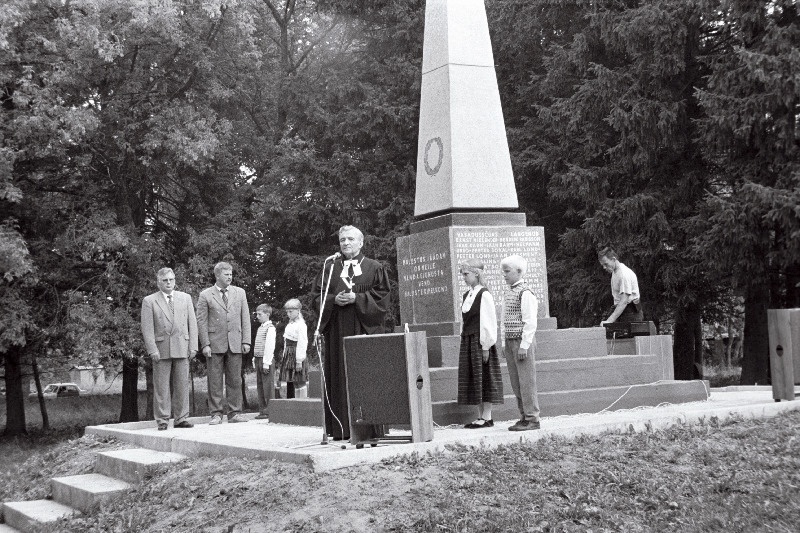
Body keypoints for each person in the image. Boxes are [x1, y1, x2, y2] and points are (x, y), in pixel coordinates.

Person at [311, 225, 391, 441]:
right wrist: (332, 300)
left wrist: (358, 298)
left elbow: (383, 298)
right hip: (337, 332)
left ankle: (370, 429)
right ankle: (341, 429)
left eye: (350, 239)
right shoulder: (330, 268)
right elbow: (315, 298)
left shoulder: (374, 267)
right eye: (342, 240)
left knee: (366, 376)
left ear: (361, 242)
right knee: (339, 374)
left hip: (363, 329)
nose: (345, 243)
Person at [140, 267, 198, 431]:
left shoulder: (185, 298)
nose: (169, 283)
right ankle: (163, 420)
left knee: (182, 384)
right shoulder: (150, 301)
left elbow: (192, 324)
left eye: (171, 280)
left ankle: (181, 418)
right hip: (161, 348)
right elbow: (147, 328)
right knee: (161, 386)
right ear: (158, 282)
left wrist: (193, 346)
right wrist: (152, 349)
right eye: (165, 280)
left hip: (182, 346)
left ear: (175, 280)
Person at [197, 261, 251, 425]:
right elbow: (201, 321)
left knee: (235, 380)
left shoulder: (240, 293)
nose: (230, 277)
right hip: (214, 344)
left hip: (235, 341)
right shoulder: (205, 295)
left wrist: (246, 340)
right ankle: (216, 414)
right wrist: (205, 344)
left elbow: (245, 318)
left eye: (231, 274)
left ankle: (235, 413)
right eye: (226, 274)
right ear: (217, 275)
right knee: (214, 380)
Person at [457, 259, 503, 429]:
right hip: (468, 339)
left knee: (484, 376)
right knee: (473, 377)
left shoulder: (484, 294)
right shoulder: (467, 295)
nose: (464, 277)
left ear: (476, 274)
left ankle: (487, 416)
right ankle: (479, 416)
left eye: (466, 274)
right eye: (462, 274)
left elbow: (489, 321)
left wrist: (486, 346)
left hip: (480, 340)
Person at [501, 255, 541, 432]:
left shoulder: (525, 293)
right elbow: (504, 319)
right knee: (516, 382)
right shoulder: (509, 291)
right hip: (510, 341)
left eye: (507, 271)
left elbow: (530, 321)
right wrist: (504, 342)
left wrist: (524, 344)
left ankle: (533, 418)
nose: (504, 274)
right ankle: (523, 416)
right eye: (504, 271)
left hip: (521, 341)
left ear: (519, 272)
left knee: (526, 381)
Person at [598, 247, 643, 325]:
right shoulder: (615, 271)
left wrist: (609, 321)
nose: (604, 267)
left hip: (631, 314)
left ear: (613, 259)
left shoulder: (623, 274)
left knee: (627, 337)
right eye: (603, 265)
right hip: (623, 311)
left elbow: (624, 301)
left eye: (606, 264)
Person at [278, 299, 309, 399]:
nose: (288, 314)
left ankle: (303, 402)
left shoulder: (301, 325)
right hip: (289, 354)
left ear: (298, 311)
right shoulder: (290, 325)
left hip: (297, 354)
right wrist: (284, 356)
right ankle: (297, 403)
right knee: (294, 380)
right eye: (287, 312)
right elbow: (286, 342)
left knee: (300, 380)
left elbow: (302, 343)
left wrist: (299, 360)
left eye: (290, 311)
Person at [252, 304, 277, 420]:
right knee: (260, 386)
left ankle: (269, 410)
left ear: (267, 314)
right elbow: (258, 344)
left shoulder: (270, 328)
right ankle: (262, 410)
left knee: (268, 386)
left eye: (260, 314)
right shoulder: (260, 327)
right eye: (257, 314)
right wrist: (254, 357)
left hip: (266, 360)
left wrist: (266, 363)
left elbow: (269, 346)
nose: (257, 316)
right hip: (258, 359)